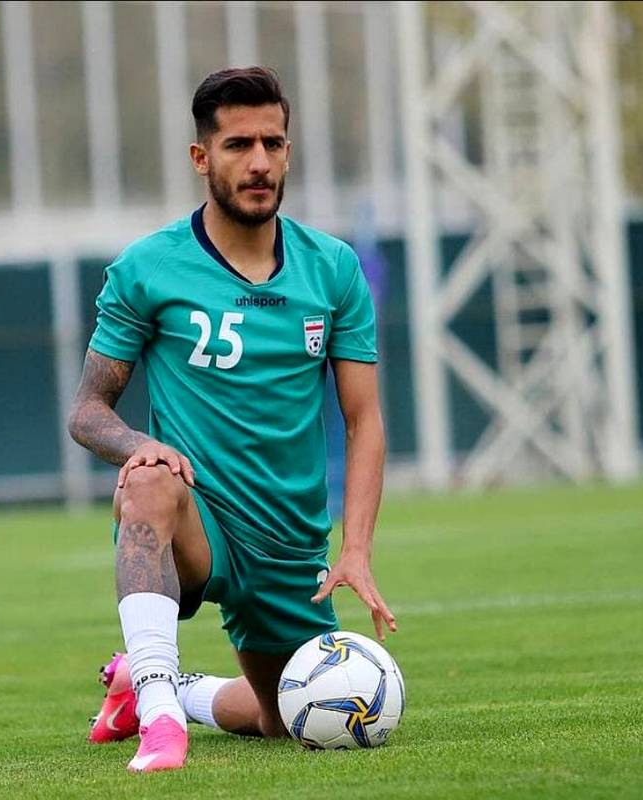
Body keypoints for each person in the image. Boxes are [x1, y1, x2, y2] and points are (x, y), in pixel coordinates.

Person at [65, 66, 396, 773]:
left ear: (288, 152)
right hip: (198, 524)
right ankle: (161, 720)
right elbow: (87, 411)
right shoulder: (148, 268)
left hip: (288, 546)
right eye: (239, 144)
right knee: (147, 482)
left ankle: (155, 686)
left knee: (286, 719)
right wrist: (140, 444)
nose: (259, 163)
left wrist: (357, 550)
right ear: (201, 157)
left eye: (272, 143)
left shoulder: (333, 270)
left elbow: (364, 420)